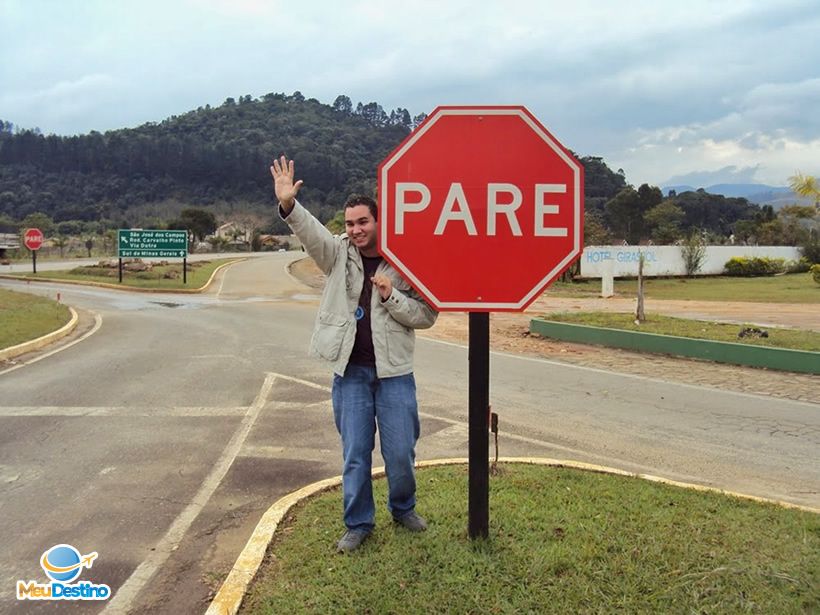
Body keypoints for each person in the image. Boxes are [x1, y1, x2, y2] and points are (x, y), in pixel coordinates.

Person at [270, 155, 438, 553]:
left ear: (379, 221)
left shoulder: (406, 259)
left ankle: (403, 508)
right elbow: (312, 235)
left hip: (395, 373)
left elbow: (427, 315)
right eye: (349, 224)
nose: (356, 230)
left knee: (400, 452)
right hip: (351, 374)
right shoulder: (337, 254)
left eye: (363, 222)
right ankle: (358, 523)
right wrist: (290, 206)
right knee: (356, 454)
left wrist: (391, 295)